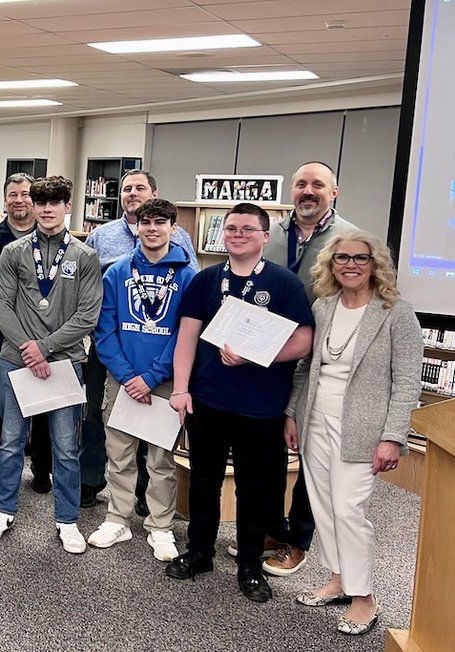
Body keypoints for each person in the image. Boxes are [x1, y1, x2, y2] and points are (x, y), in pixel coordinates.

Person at [166, 202, 314, 603]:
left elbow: (304, 341)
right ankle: (199, 552)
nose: (237, 234)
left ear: (265, 236)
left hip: (261, 407)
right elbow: (187, 338)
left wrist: (256, 355)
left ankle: (249, 563)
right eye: (231, 228)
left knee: (255, 488)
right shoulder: (206, 280)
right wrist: (181, 388)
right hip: (209, 401)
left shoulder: (285, 284)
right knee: (203, 481)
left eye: (248, 229)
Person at [285, 231, 421, 635]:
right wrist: (292, 412)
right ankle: (339, 579)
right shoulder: (323, 306)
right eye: (341, 258)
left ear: (375, 264)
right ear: (330, 264)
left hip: (363, 429)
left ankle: (365, 598)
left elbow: (407, 380)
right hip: (315, 421)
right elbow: (307, 367)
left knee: (348, 509)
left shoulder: (396, 313)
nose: (350, 265)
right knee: (324, 506)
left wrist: (393, 435)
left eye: (360, 258)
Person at [0, 176, 102, 549]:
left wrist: (44, 347)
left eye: (56, 202)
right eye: (41, 203)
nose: (47, 209)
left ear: (67, 206)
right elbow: (1, 306)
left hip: (64, 363)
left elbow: (87, 315)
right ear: (32, 206)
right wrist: (28, 348)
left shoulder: (85, 256)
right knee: (10, 441)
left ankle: (66, 519)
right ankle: (3, 509)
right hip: (17, 361)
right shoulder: (14, 252)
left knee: (65, 446)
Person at [261, 160, 358, 576]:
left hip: (320, 359)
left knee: (311, 457)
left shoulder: (349, 238)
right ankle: (269, 529)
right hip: (267, 356)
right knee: (266, 449)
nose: (307, 191)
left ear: (333, 192)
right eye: (301, 184)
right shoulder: (272, 233)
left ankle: (297, 540)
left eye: (318, 184)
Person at [86, 198, 196, 561]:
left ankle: (160, 526)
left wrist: (150, 377)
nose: (151, 228)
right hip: (122, 379)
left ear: (173, 229)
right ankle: (117, 517)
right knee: (118, 454)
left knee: (160, 460)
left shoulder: (186, 276)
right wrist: (128, 375)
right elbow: (105, 330)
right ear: (137, 227)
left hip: (163, 381)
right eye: (145, 222)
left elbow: (185, 334)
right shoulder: (117, 272)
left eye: (159, 222)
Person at [0, 172, 52, 491]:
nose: (20, 199)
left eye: (26, 194)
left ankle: (40, 468)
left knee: (42, 405)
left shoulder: (50, 238)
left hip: (44, 336)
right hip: (2, 336)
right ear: (5, 199)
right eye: (13, 194)